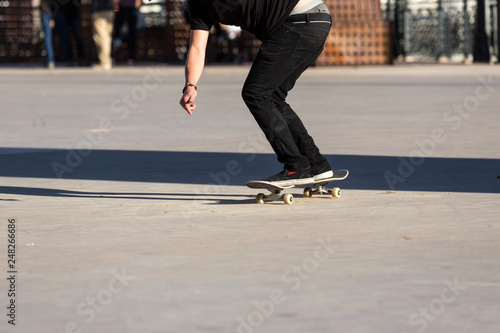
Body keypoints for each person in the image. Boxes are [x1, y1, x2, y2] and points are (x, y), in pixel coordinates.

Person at [180, 0, 334, 186]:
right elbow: (197, 48)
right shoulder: (198, 7)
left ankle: (296, 167)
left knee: (255, 93)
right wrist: (190, 85)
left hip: (296, 21)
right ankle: (317, 165)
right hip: (315, 21)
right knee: (273, 97)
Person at [112, 0, 142, 66]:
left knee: (131, 35)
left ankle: (131, 58)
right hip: (122, 8)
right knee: (117, 33)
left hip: (131, 9)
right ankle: (112, 56)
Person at [91, 0, 117, 70]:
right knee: (107, 37)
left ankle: (105, 62)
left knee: (101, 38)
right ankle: (107, 60)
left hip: (99, 11)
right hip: (109, 10)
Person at [39, 0, 56, 69]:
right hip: (49, 12)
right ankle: (50, 59)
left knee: (47, 37)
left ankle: (50, 60)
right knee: (48, 36)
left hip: (45, 12)